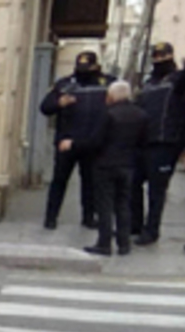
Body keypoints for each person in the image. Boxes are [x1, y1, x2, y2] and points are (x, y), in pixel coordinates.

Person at [39, 51, 116, 230]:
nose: (83, 71)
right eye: (79, 67)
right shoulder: (65, 84)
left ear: (96, 66)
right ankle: (51, 217)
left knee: (90, 182)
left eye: (87, 67)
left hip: (92, 142)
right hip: (66, 141)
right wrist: (59, 103)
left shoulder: (107, 83)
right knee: (59, 181)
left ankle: (88, 217)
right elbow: (45, 107)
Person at [73, 81, 148, 256]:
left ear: (113, 96)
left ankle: (104, 243)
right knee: (123, 204)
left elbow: (96, 141)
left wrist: (76, 145)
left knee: (105, 205)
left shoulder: (108, 114)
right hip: (128, 165)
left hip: (105, 165)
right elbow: (143, 143)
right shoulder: (141, 115)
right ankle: (124, 243)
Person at [132, 42, 185, 246]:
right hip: (143, 141)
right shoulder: (148, 83)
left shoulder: (177, 80)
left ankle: (152, 230)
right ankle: (135, 225)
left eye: (163, 56)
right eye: (156, 56)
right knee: (133, 184)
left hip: (165, 142)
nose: (159, 59)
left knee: (156, 191)